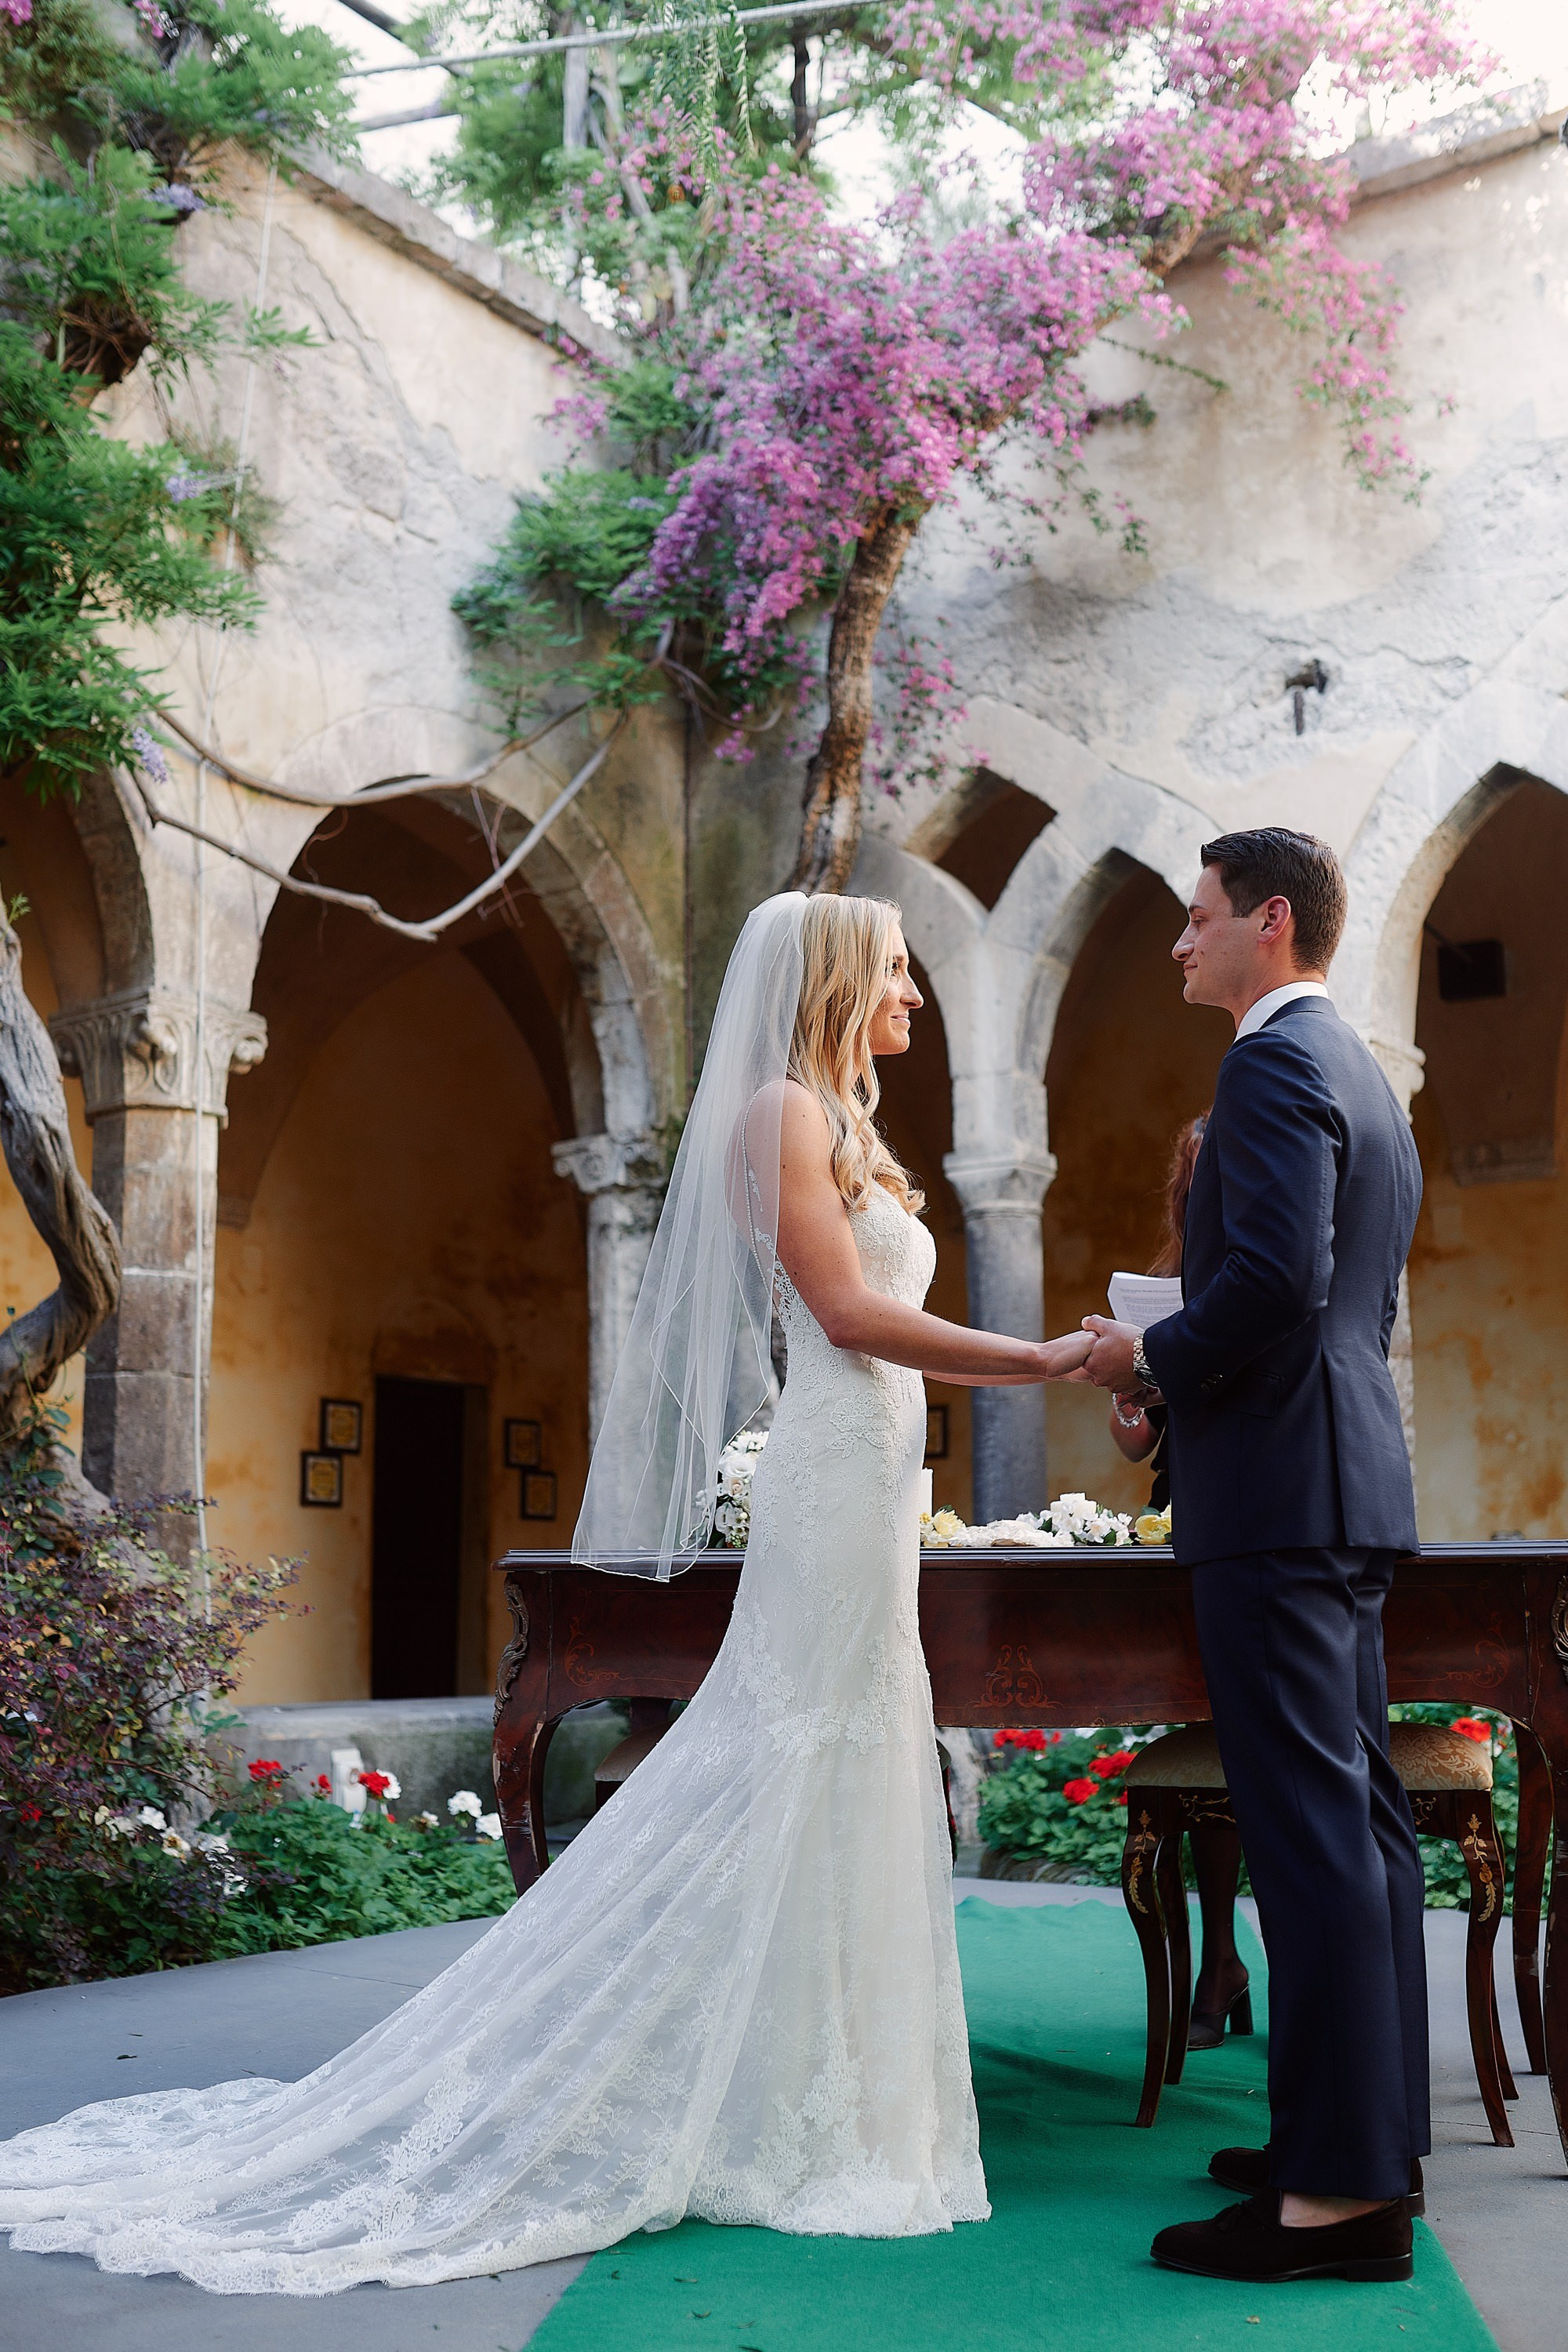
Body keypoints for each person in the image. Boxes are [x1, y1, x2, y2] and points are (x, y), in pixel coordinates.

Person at [0, 890, 1094, 2293]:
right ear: (833, 977)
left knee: (851, 1756)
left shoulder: (840, 1122)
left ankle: (816, 2083)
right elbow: (846, 1314)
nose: (913, 996)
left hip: (874, 1474)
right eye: (894, 969)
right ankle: (710, 2069)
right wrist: (1040, 1361)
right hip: (833, 1468)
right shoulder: (780, 1113)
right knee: (796, 1745)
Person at [1079, 826, 1428, 2288]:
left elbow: (1279, 1283)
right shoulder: (1362, 1071)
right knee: (1362, 1829)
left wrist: (1144, 1355)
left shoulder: (1273, 1066)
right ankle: (1358, 2150)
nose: (1179, 941)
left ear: (1269, 921)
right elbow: (1345, 1301)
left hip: (1281, 1496)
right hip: (1337, 1481)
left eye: (1198, 917)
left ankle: (1337, 2206)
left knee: (1312, 1837)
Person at [1109, 1110, 1252, 2056]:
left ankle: (1229, 1963)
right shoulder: (1165, 1286)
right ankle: (1219, 1958)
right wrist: (1129, 1404)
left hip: (1250, 1503)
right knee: (1202, 1734)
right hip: (1184, 1508)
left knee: (1238, 1744)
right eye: (1194, 1176)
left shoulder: (1258, 1273)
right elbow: (1136, 1442)